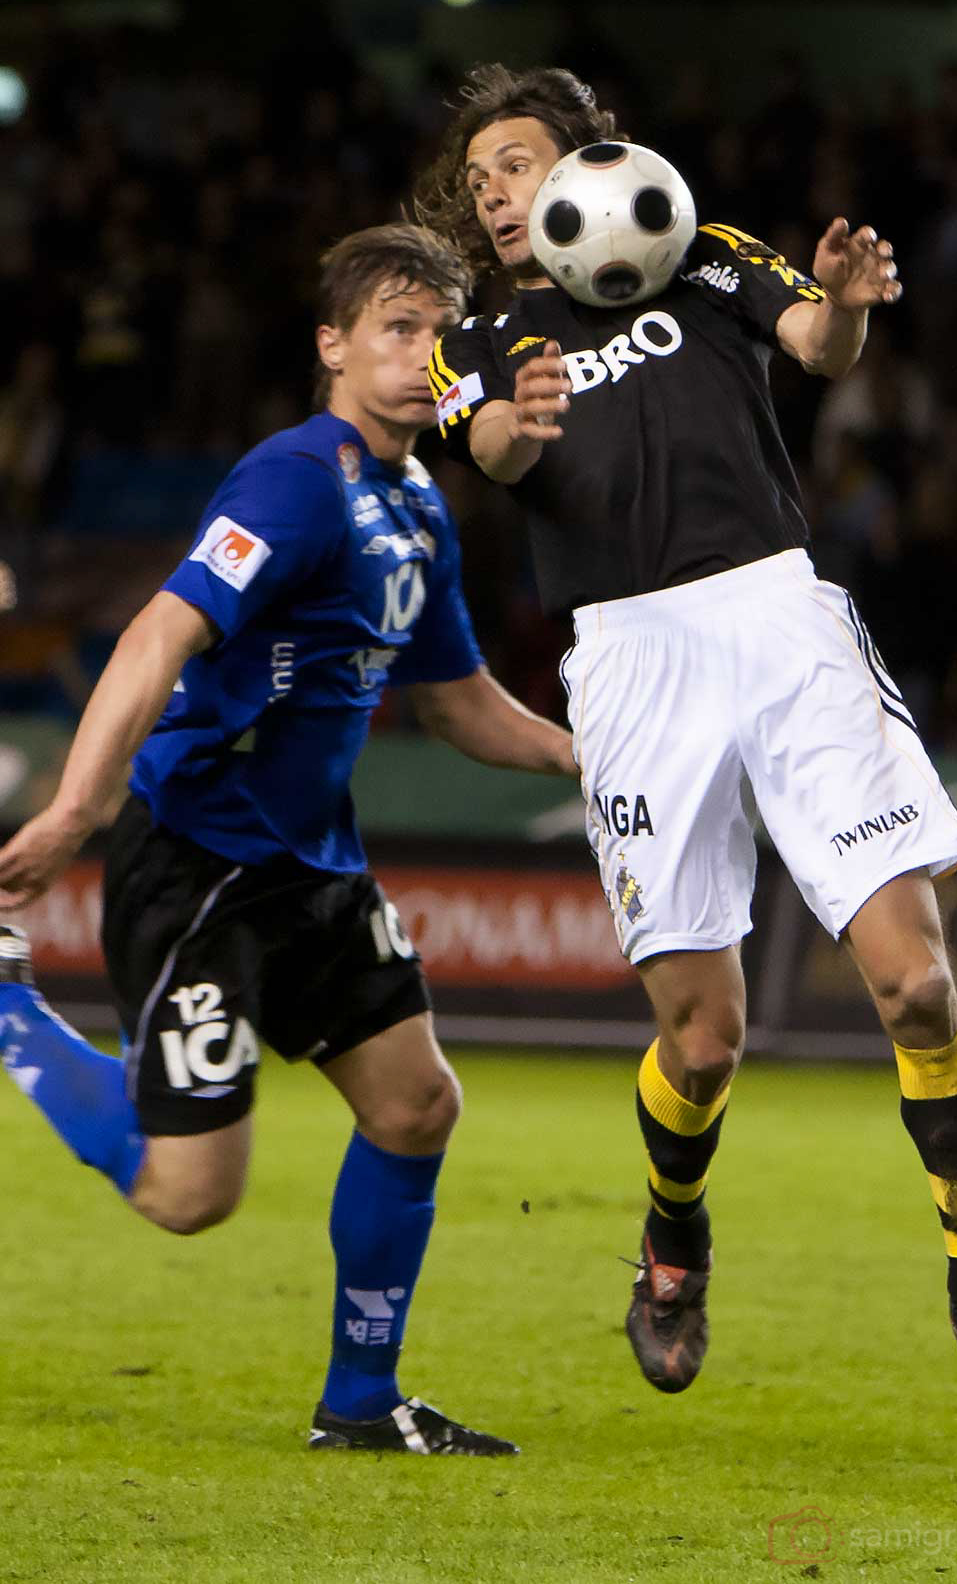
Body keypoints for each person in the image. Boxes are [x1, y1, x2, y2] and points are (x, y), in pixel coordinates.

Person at [414, 65, 957, 1426]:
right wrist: (515, 429)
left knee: (913, 986)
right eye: (478, 179)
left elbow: (819, 346)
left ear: (593, 167)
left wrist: (847, 306)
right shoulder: (479, 327)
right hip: (633, 661)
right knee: (703, 1042)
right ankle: (675, 1234)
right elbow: (486, 447)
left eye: (517, 161)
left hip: (778, 619)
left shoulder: (701, 251)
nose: (494, 190)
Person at [0, 222, 578, 1455]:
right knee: (187, 1197)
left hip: (316, 866)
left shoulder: (420, 502)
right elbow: (161, 634)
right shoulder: (295, 479)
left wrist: (594, 755)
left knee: (418, 1104)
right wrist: (74, 811)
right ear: (334, 345)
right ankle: (7, 1010)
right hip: (199, 861)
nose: (422, 355)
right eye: (396, 329)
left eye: (438, 333)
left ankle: (362, 1406)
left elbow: (462, 703)